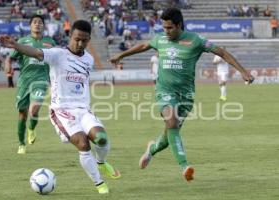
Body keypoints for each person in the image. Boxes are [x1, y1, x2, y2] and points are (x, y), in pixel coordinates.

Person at [109, 8, 254, 182]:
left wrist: (243, 72)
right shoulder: (161, 39)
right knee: (171, 121)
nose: (166, 31)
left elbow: (222, 53)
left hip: (186, 96)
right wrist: (121, 55)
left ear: (179, 25)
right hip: (165, 91)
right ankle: (185, 166)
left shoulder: (196, 41)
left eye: (170, 28)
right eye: (164, 27)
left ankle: (152, 149)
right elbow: (144, 46)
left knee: (169, 135)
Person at [0, 19, 121, 194]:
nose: (80, 43)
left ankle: (101, 163)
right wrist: (15, 45)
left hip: (83, 110)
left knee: (102, 138)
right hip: (62, 111)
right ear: (70, 36)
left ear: (89, 40)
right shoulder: (57, 54)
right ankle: (99, 183)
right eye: (77, 38)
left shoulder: (89, 59)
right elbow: (35, 52)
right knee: (83, 144)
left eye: (84, 40)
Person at [6, 15, 56, 154]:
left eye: (40, 22)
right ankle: (21, 144)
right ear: (30, 26)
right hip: (24, 82)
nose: (37, 24)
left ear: (44, 26)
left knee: (34, 110)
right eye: (35, 22)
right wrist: (7, 65)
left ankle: (31, 128)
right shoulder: (23, 41)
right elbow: (10, 58)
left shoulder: (50, 42)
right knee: (22, 114)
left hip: (41, 80)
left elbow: (56, 60)